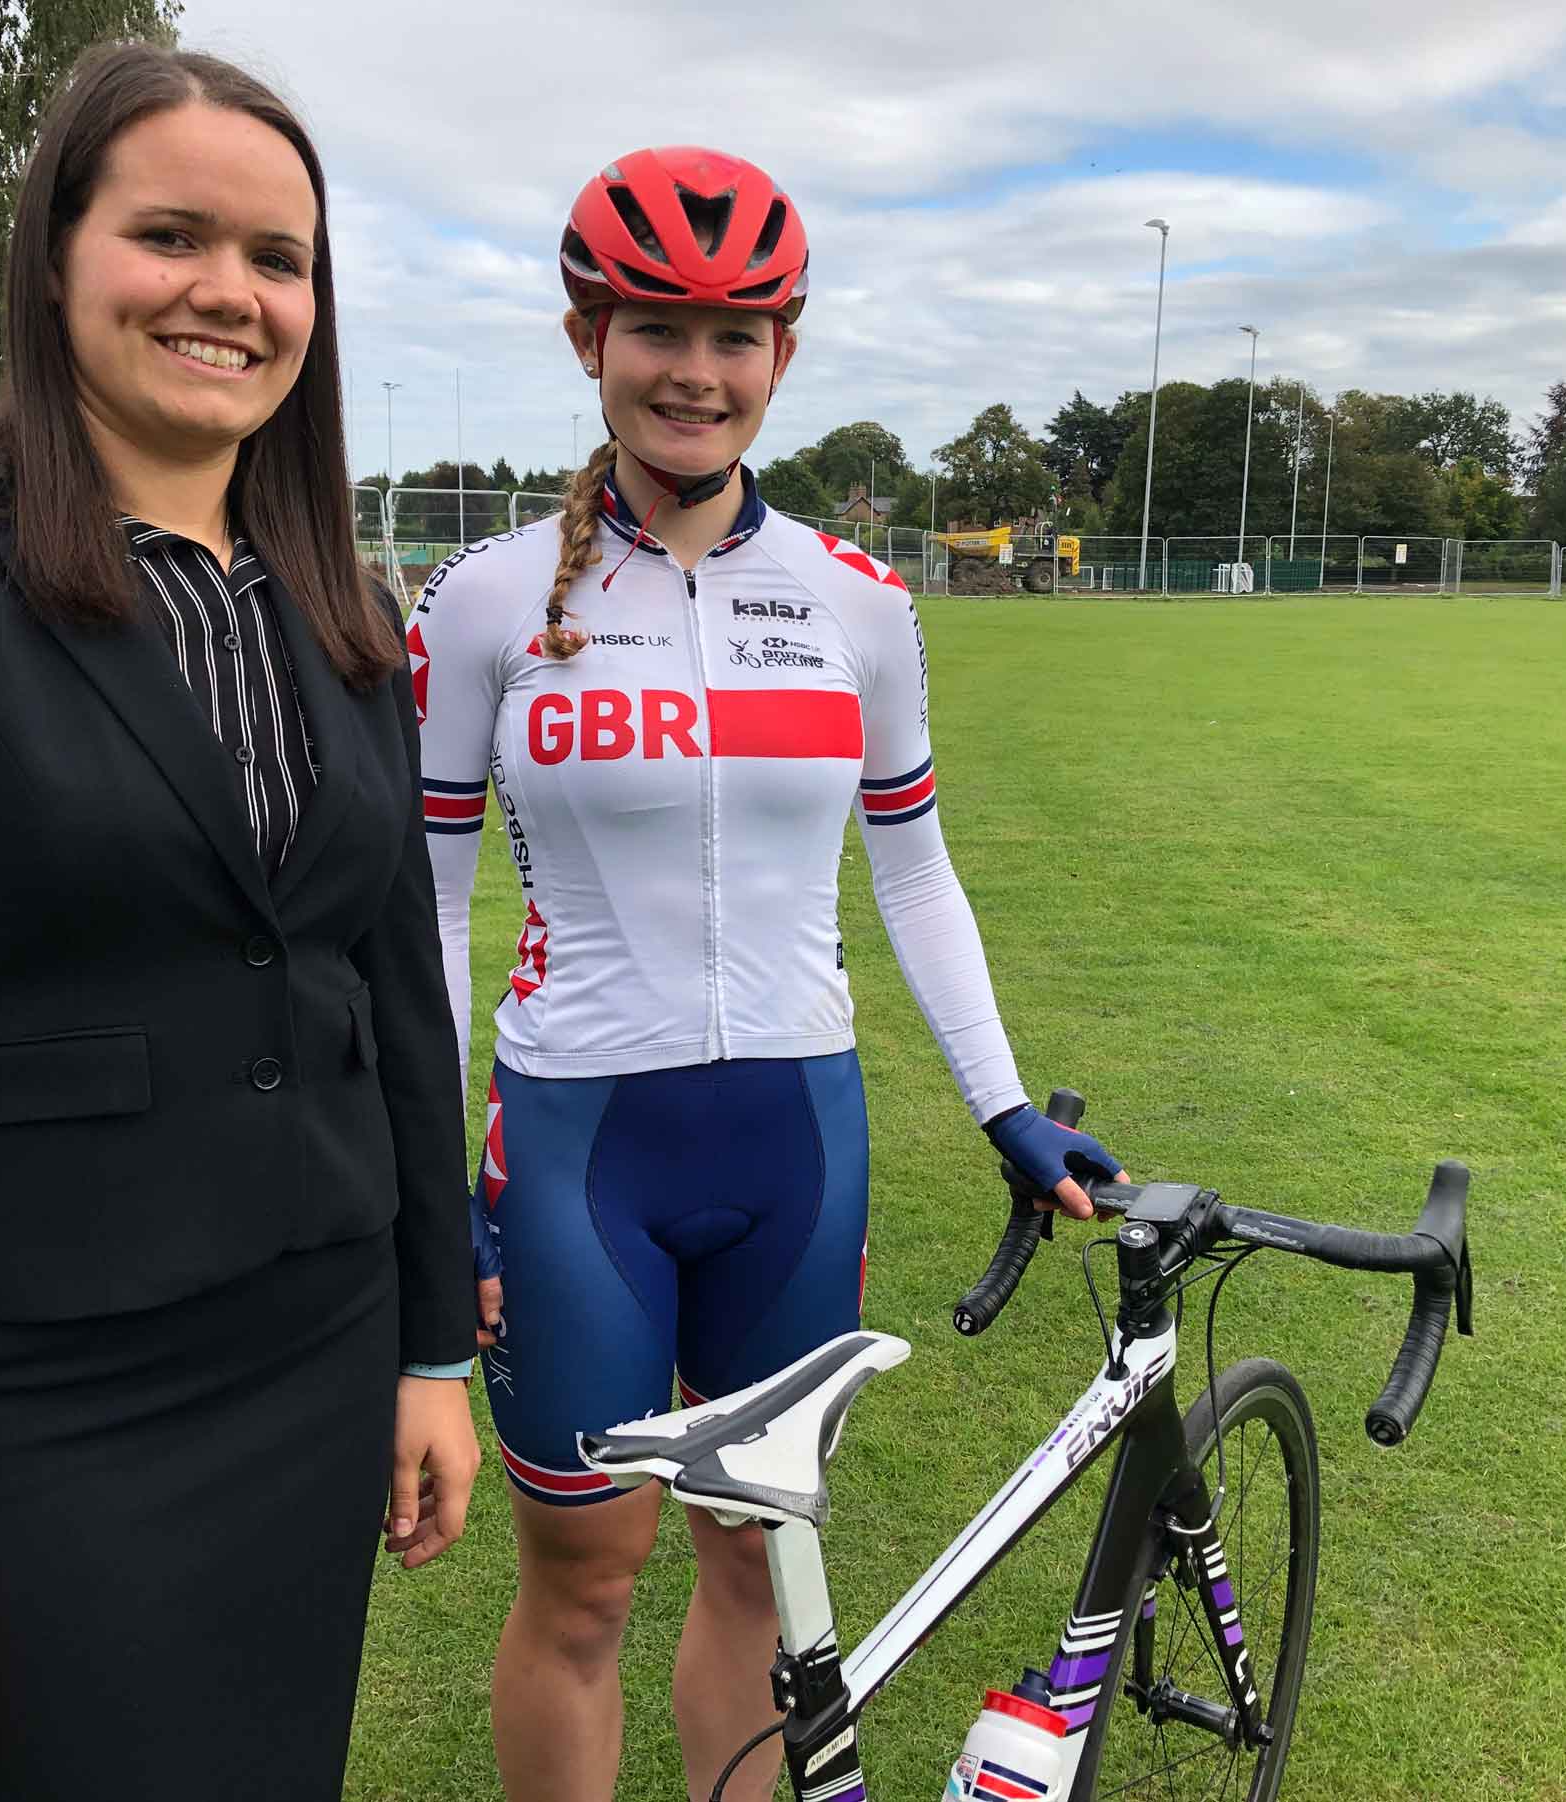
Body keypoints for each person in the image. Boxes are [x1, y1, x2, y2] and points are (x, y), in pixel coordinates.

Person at [0, 42, 488, 1800]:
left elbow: (390, 996)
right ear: (55, 259)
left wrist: (435, 1336)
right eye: (171, 235)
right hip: (40, 1410)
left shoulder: (341, 607)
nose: (230, 292)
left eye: (278, 261)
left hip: (314, 1358)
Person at [408, 145, 1123, 1801]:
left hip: (796, 1139)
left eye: (738, 335)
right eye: (658, 324)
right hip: (580, 1150)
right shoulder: (489, 598)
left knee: (761, 1570)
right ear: (590, 335)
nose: (696, 369)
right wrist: (420, 1181)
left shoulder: (861, 603)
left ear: (781, 357)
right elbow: (426, 904)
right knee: (582, 1582)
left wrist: (1004, 1105)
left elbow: (917, 864)